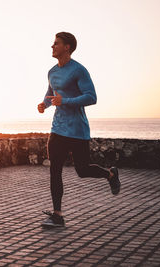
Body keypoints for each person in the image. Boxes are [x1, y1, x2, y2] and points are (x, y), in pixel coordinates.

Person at [37, 32, 120, 228]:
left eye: (56, 43)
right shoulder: (51, 72)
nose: (52, 46)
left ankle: (110, 174)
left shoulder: (79, 71)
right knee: (55, 171)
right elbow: (51, 94)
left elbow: (91, 97)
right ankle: (57, 215)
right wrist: (44, 104)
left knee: (82, 170)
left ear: (67, 47)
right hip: (57, 129)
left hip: (77, 130)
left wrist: (64, 101)